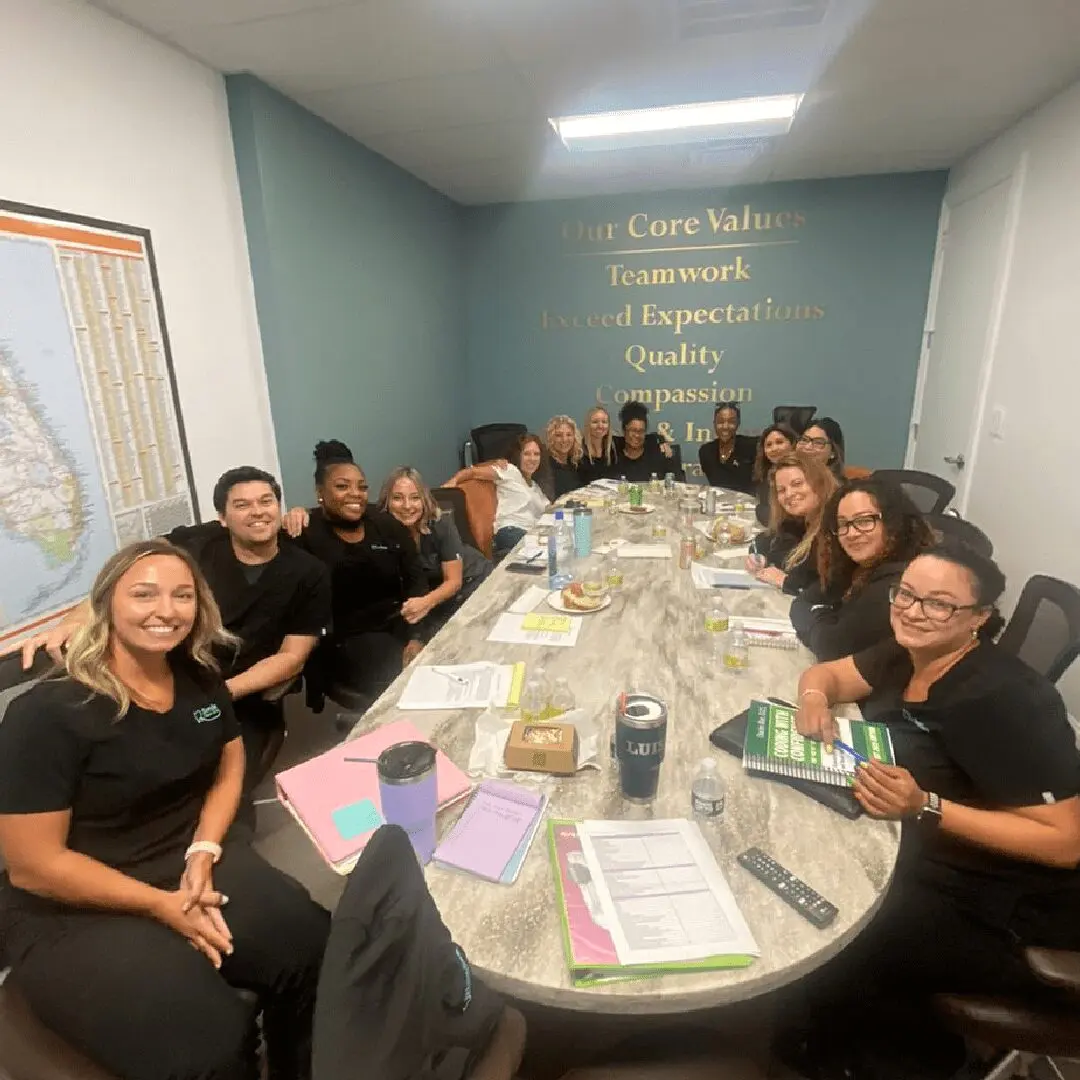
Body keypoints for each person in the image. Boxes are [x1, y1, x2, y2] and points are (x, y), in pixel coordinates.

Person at [0, 540, 330, 1080]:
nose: (166, 610)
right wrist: (158, 905)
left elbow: (230, 761)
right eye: (144, 594)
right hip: (74, 904)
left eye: (182, 596)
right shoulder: (47, 715)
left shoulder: (197, 677)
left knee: (313, 950)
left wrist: (203, 849)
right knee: (210, 1043)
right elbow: (34, 866)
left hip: (183, 861)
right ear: (106, 603)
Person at [782, 540, 1080, 1077]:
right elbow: (827, 674)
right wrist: (813, 700)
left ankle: (894, 1056)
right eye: (907, 594)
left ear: (980, 619)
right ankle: (823, 1036)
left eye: (939, 603)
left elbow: (1066, 841)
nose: (913, 611)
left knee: (842, 920)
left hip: (1012, 907)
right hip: (933, 852)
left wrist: (928, 806)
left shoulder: (1006, 700)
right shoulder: (909, 651)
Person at [22, 466, 332, 797]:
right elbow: (125, 574)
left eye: (266, 501)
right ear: (223, 518)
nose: (257, 511)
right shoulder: (198, 543)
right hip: (166, 679)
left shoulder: (308, 572)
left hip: (238, 695)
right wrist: (76, 618)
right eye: (242, 505)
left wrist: (219, 696)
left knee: (218, 788)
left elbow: (291, 657)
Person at [287, 440, 428, 702]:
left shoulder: (386, 524)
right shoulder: (304, 532)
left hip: (398, 626)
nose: (356, 493)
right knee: (410, 687)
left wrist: (416, 638)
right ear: (320, 492)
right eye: (342, 486)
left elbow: (415, 581)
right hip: (343, 641)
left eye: (362, 487)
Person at [789, 478, 934, 660]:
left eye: (865, 521)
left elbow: (830, 646)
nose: (852, 533)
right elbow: (802, 602)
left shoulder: (900, 582)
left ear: (894, 522)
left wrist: (818, 614)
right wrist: (825, 619)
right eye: (843, 524)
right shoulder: (857, 565)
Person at [379, 466, 492, 637]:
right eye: (397, 498)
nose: (407, 506)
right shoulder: (381, 531)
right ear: (386, 501)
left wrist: (425, 603)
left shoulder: (440, 523)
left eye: (415, 498)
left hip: (472, 580)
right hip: (433, 594)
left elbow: (453, 581)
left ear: (424, 500)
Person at [447, 433, 549, 562]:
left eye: (536, 454)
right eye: (527, 454)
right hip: (511, 531)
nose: (532, 458)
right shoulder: (510, 471)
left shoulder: (535, 486)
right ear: (518, 456)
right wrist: (453, 482)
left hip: (531, 534)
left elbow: (550, 509)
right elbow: (472, 471)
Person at [747, 453, 837, 595]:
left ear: (819, 482)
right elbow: (763, 540)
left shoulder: (836, 526)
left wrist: (786, 581)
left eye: (797, 484)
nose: (789, 494)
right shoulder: (798, 520)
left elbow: (832, 589)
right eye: (781, 490)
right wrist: (758, 556)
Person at [612, 401, 684, 483]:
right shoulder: (614, 451)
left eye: (641, 431)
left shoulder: (657, 449)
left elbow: (677, 481)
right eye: (633, 430)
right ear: (624, 431)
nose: (637, 435)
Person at [697, 403, 756, 493]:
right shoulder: (706, 451)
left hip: (747, 504)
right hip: (719, 504)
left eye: (731, 422)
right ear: (714, 424)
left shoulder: (751, 446)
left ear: (738, 423)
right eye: (720, 422)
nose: (725, 426)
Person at [751, 422, 797, 523]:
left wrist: (759, 510)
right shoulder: (766, 473)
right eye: (768, 445)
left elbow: (779, 518)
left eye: (779, 442)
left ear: (792, 444)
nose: (774, 449)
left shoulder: (800, 474)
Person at [544, 415, 585, 498]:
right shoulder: (545, 465)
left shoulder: (575, 462)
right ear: (551, 438)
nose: (564, 439)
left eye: (569, 434)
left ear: (574, 437)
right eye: (558, 435)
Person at [579, 405, 618, 483]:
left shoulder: (614, 447)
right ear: (588, 425)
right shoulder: (579, 449)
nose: (600, 426)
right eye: (595, 422)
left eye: (604, 422)